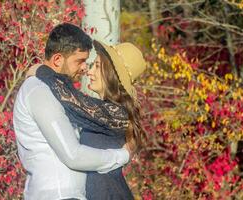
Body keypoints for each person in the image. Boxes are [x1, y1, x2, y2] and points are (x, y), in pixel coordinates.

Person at [13, 23, 132, 200]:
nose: (85, 68)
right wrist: (122, 155)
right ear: (58, 60)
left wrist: (40, 70)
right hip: (57, 195)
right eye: (80, 61)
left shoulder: (59, 92)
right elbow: (73, 155)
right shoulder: (39, 91)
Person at [32, 39, 147, 199]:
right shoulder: (106, 111)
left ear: (112, 74)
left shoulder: (116, 113)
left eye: (97, 66)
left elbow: (69, 99)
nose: (90, 71)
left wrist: (42, 71)